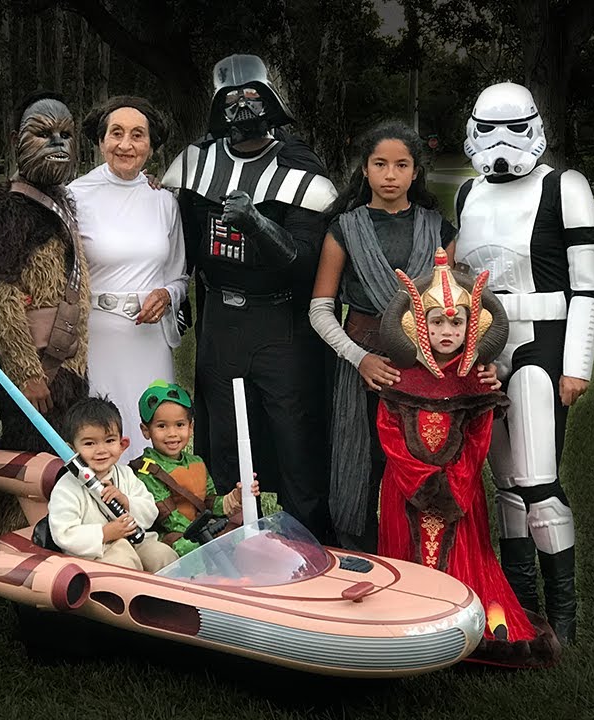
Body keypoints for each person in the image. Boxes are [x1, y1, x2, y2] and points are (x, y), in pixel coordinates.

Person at [161, 54, 336, 542]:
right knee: (223, 441)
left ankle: (309, 544)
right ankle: (228, 542)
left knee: (295, 440)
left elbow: (305, 260)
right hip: (222, 320)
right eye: (232, 99)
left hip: (280, 322)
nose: (242, 107)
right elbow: (181, 241)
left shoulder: (298, 166)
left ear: (271, 99)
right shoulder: (196, 163)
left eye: (252, 96)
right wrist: (179, 294)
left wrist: (257, 224)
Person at [454, 82, 594, 645]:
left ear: (535, 126)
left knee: (538, 482)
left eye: (514, 128)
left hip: (544, 343)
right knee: (507, 487)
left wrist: (576, 365)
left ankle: (562, 615)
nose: (501, 141)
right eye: (489, 128)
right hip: (484, 346)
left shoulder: (565, 186)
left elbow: (587, 286)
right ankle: (521, 608)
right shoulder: (468, 192)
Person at [308, 121, 500, 552]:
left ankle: (419, 557)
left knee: (420, 463)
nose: (390, 175)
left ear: (416, 172)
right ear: (364, 169)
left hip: (425, 369)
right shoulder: (344, 229)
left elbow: (457, 313)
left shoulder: (439, 231)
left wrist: (476, 363)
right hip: (364, 363)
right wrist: (358, 357)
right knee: (363, 464)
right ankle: (359, 555)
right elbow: (320, 309)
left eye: (401, 165)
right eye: (380, 164)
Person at [373, 249, 560, 666]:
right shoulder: (400, 378)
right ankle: (408, 625)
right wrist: (420, 481)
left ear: (471, 327)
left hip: (460, 492)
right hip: (404, 491)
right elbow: (389, 433)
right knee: (404, 557)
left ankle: (461, 626)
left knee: (465, 558)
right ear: (418, 326)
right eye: (436, 322)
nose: (446, 331)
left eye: (456, 322)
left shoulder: (478, 380)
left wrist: (451, 485)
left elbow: (477, 442)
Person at [68, 95, 189, 460]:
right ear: (101, 140)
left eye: (138, 135)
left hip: (149, 341)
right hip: (97, 337)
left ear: (151, 145)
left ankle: (157, 494)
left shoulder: (164, 201)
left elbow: (179, 276)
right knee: (101, 430)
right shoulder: (75, 196)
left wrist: (166, 295)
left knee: (153, 428)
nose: (126, 144)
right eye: (116, 133)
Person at [0, 91, 89, 452]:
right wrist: (26, 372)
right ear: (17, 140)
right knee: (34, 462)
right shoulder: (7, 206)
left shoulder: (64, 201)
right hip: (36, 371)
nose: (58, 143)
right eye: (43, 134)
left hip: (69, 366)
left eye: (65, 134)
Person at [47, 396, 180, 571]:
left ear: (122, 444)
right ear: (71, 450)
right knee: (123, 561)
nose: (101, 450)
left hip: (136, 541)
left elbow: (150, 510)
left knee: (163, 555)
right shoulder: (66, 488)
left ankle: (177, 588)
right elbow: (63, 533)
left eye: (109, 441)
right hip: (97, 554)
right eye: (89, 443)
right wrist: (104, 533)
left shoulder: (126, 474)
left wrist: (127, 502)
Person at [130, 381, 258, 557]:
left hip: (202, 529)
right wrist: (207, 535)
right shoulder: (146, 470)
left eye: (179, 425)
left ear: (191, 427)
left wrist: (234, 498)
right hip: (174, 536)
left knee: (242, 537)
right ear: (146, 430)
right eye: (162, 426)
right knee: (192, 549)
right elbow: (169, 518)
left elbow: (209, 502)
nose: (172, 433)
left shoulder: (196, 462)